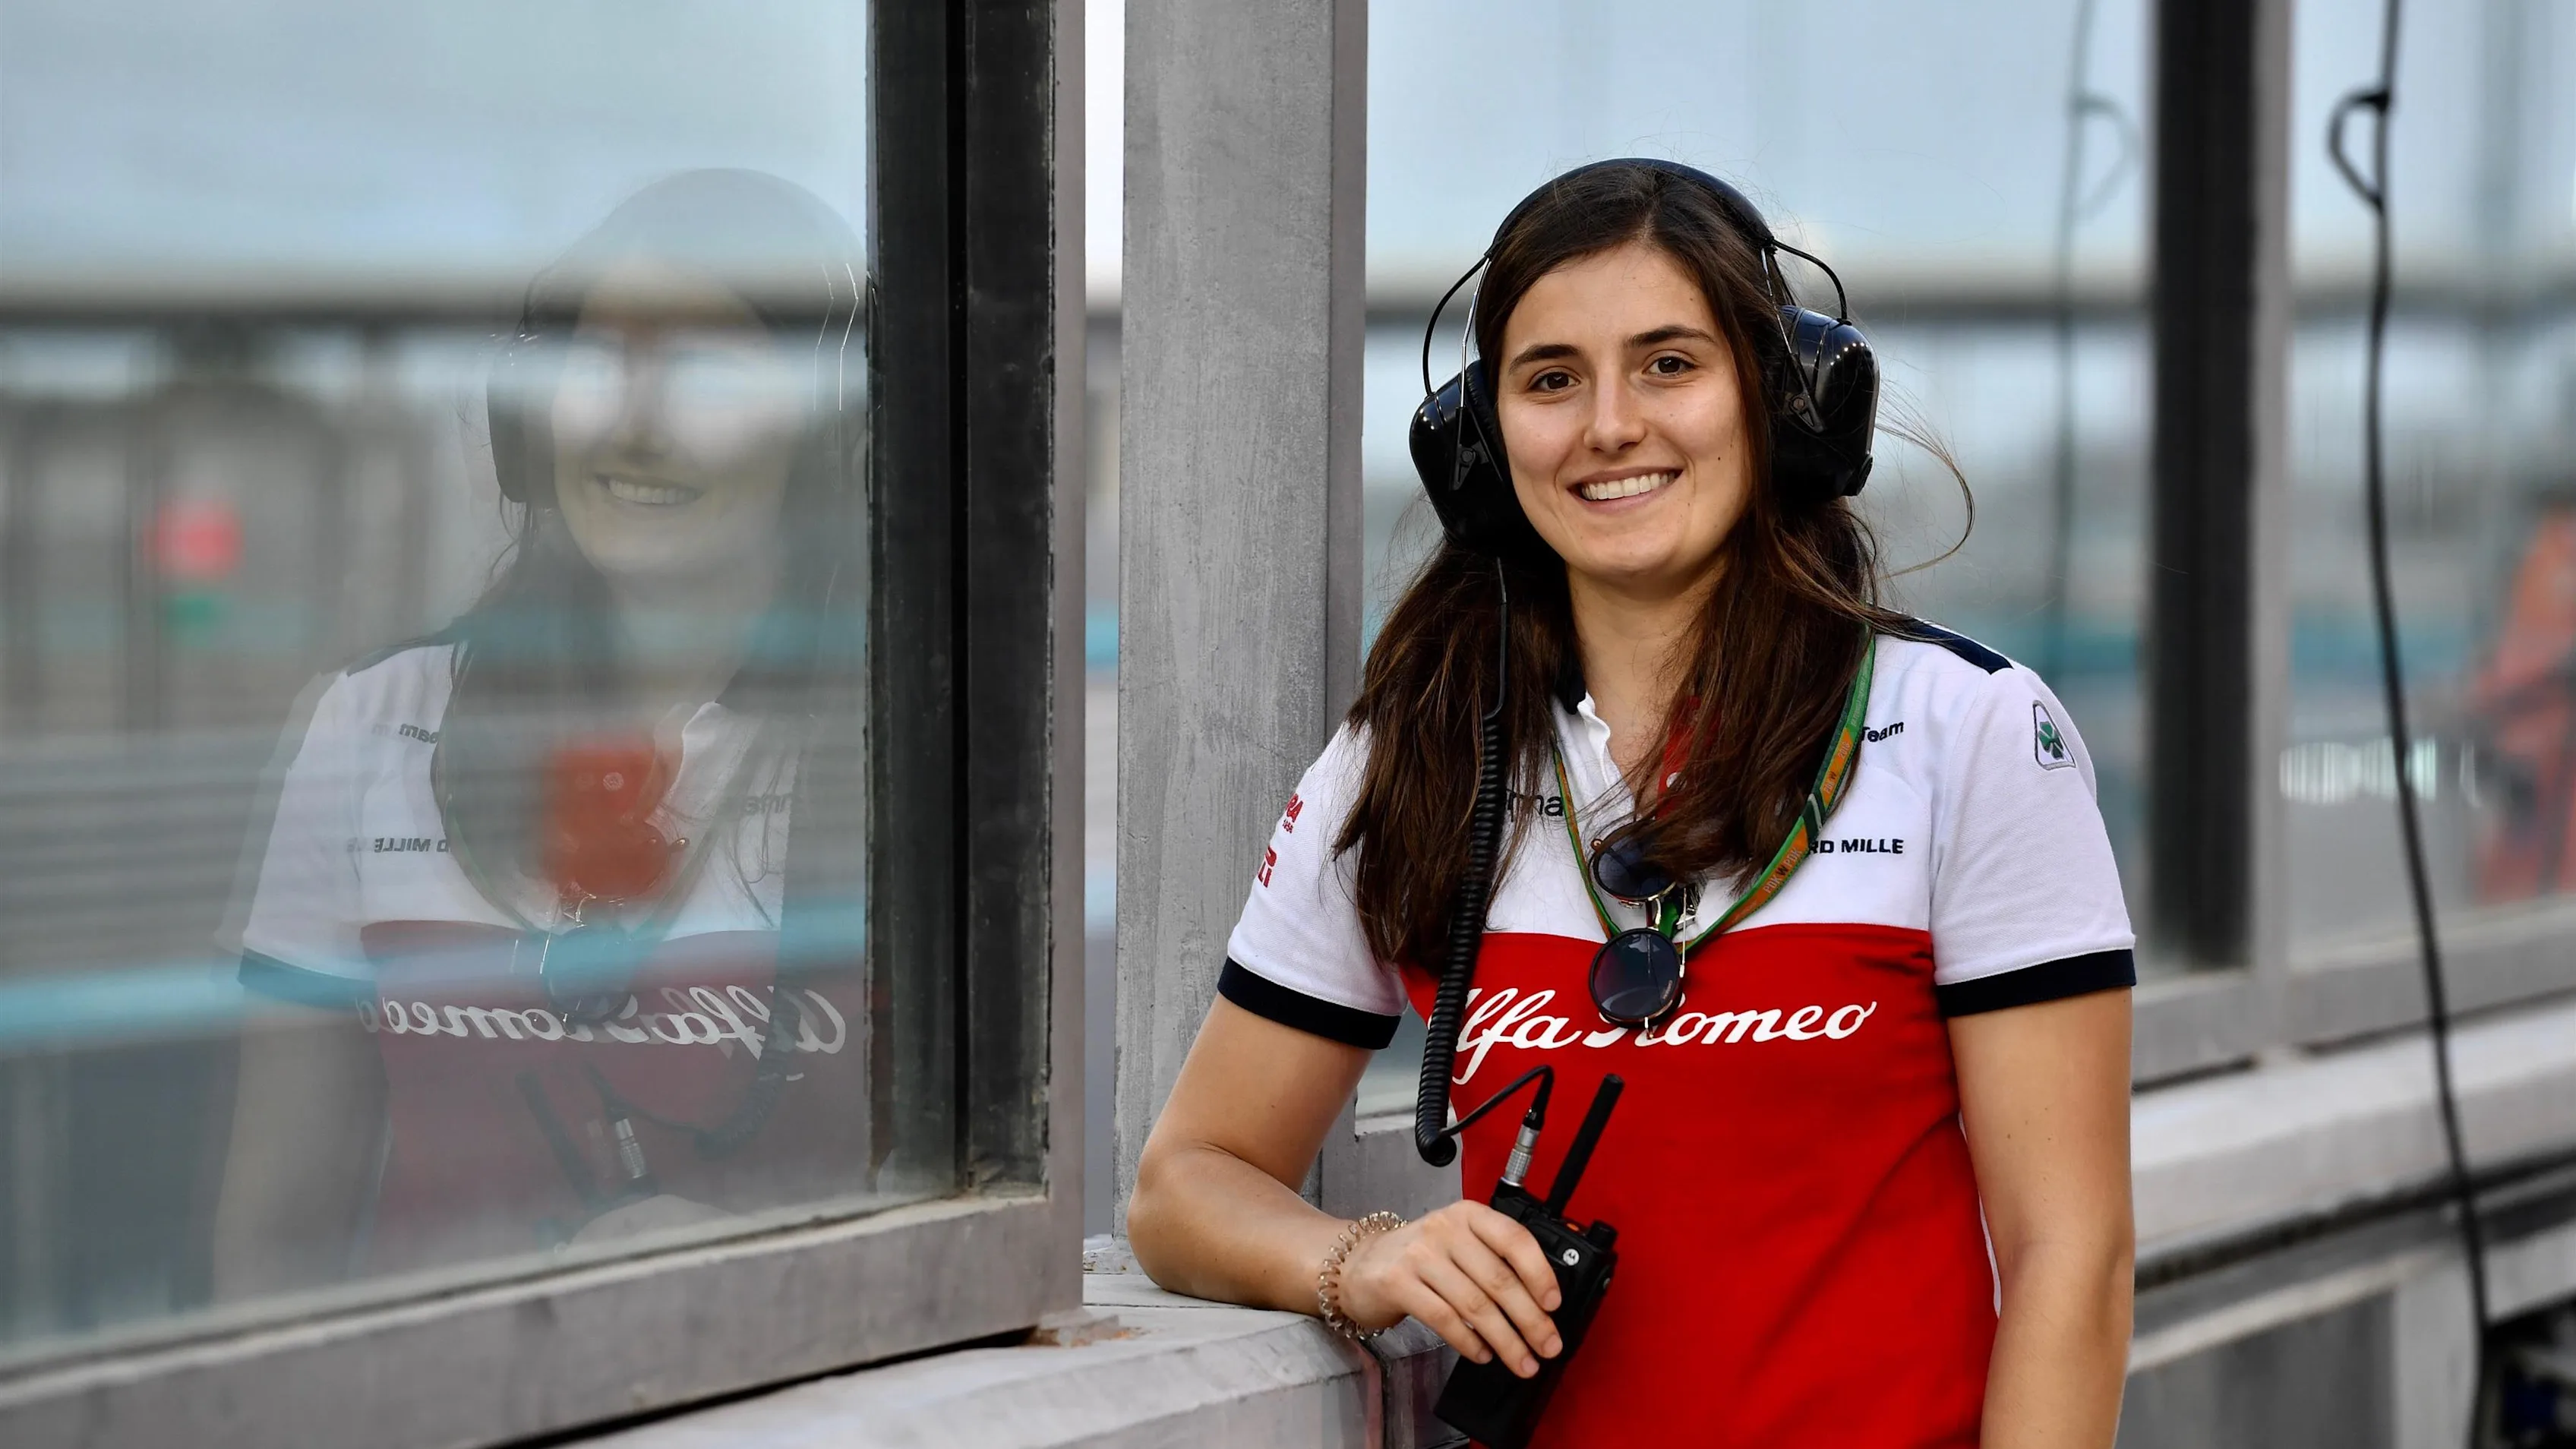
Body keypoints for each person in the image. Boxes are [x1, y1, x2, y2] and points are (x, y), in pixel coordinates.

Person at [1128, 160, 2136, 1448]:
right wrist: (1361, 1263)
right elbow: (1186, 1185)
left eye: (1670, 364)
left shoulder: (1975, 734)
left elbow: (2072, 1257)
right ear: (1483, 445)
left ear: (1782, 402)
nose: (1611, 426)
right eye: (1553, 380)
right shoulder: (1414, 760)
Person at [213, 170, 873, 1293]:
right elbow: (271, 1243)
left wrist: (756, 1279)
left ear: (824, 440)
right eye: (595, 362)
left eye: (706, 371)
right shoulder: (375, 724)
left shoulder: (897, 752)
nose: (634, 421)